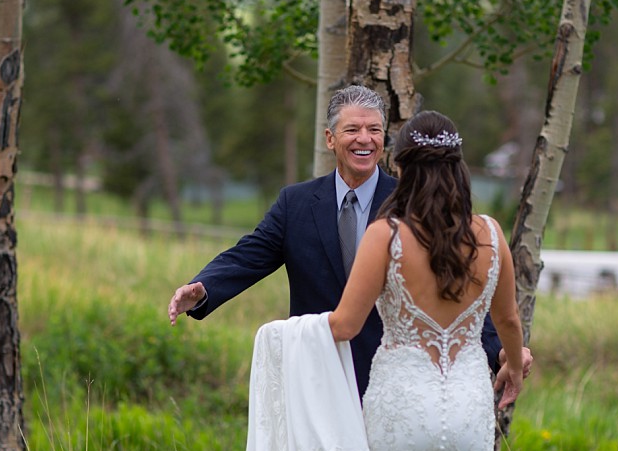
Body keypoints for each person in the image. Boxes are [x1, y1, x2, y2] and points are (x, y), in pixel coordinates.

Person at [242, 109, 527, 451]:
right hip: (469, 410)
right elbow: (509, 321)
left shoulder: (387, 235)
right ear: (460, 166)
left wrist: (277, 335)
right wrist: (512, 363)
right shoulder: (490, 234)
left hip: (402, 410)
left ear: (402, 167)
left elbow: (345, 324)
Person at [167, 85, 521, 400]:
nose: (364, 139)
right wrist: (204, 287)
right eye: (352, 129)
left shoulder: (415, 203)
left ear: (385, 139)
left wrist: (500, 351)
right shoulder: (296, 203)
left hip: (395, 385)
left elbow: (457, 281)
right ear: (330, 138)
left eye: (374, 130)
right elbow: (249, 255)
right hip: (316, 377)